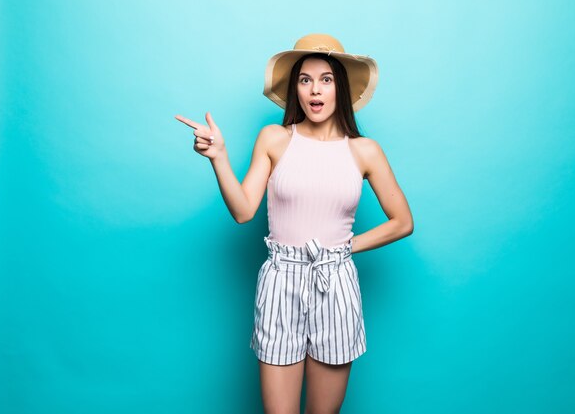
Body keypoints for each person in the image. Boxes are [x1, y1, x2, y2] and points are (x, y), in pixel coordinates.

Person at [176, 33, 413, 414]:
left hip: (334, 282)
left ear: (341, 87)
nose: (314, 90)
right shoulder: (275, 139)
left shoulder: (364, 150)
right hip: (280, 280)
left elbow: (402, 222)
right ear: (295, 89)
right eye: (305, 80)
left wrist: (345, 248)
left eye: (326, 79)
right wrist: (218, 158)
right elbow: (243, 211)